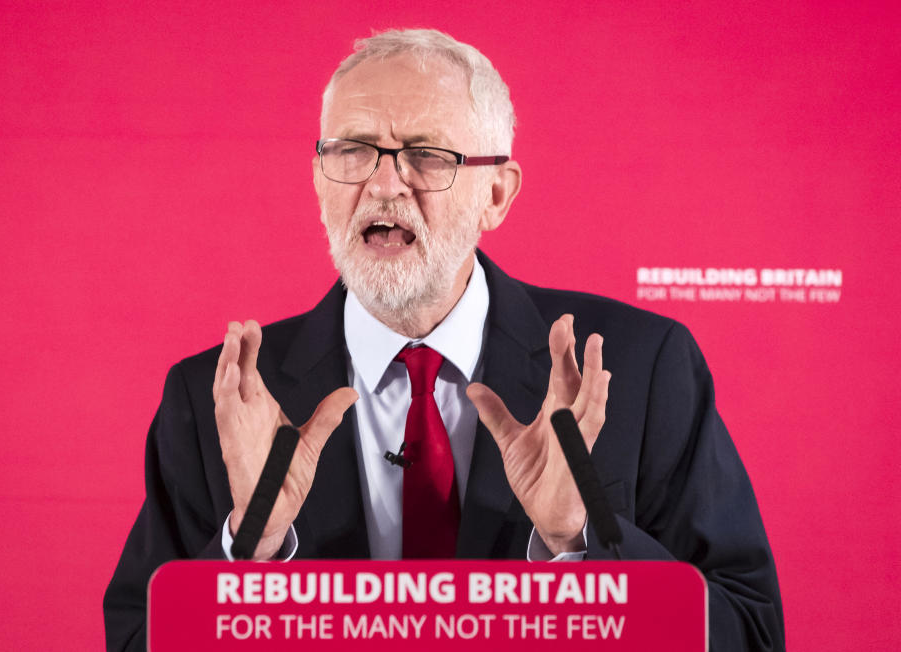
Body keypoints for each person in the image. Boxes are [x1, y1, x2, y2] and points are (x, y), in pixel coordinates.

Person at [104, 28, 784, 651]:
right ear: (318, 177)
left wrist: (580, 546)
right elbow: (137, 639)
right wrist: (249, 549)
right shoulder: (216, 398)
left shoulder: (643, 368)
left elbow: (748, 633)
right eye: (353, 150)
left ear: (497, 193)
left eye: (426, 155)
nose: (383, 183)